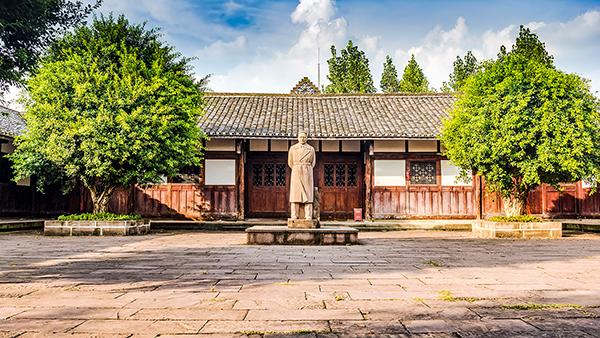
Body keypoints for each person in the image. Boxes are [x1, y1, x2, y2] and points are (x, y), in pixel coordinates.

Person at [288, 130, 316, 220]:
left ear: (307, 138)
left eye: (304, 137)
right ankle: (294, 215)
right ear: (297, 138)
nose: (302, 139)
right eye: (300, 137)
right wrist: (297, 168)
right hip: (296, 171)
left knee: (308, 195)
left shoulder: (311, 149)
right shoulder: (293, 148)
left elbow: (313, 162)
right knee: (295, 195)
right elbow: (290, 162)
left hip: (307, 172)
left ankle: (308, 215)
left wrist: (306, 169)